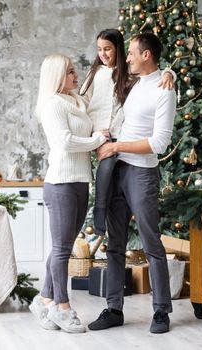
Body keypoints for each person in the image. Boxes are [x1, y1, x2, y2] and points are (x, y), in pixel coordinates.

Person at [88, 33, 177, 334]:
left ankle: (161, 311)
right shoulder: (137, 84)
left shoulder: (164, 90)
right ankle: (114, 309)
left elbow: (159, 143)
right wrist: (111, 137)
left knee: (151, 241)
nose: (126, 58)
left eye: (132, 54)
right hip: (117, 171)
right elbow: (124, 121)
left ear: (147, 55)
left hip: (141, 174)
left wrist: (117, 147)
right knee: (115, 244)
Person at [29, 54, 109, 333]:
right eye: (71, 72)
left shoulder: (76, 101)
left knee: (63, 245)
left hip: (80, 181)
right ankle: (62, 307)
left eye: (75, 71)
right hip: (60, 183)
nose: (76, 75)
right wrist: (97, 140)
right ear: (57, 77)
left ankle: (43, 299)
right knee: (63, 249)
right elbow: (63, 142)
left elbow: (99, 87)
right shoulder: (52, 104)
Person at [80, 28, 175, 236]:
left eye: (107, 49)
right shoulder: (95, 74)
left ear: (118, 50)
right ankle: (99, 217)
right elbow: (82, 102)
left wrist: (169, 72)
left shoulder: (129, 74)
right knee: (103, 177)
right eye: (99, 49)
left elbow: (152, 77)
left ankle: (102, 218)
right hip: (100, 135)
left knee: (108, 176)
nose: (103, 54)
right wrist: (93, 135)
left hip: (119, 139)